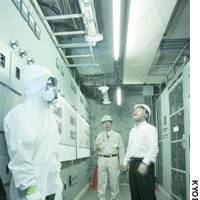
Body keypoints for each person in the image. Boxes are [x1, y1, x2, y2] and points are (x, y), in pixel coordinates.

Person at [4, 65, 63, 200]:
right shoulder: (21, 114)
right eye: (47, 84)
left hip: (50, 188)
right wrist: (31, 189)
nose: (52, 89)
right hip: (31, 191)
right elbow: (20, 156)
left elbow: (53, 155)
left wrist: (57, 184)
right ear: (35, 84)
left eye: (52, 84)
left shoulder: (50, 118)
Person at [122, 104, 158, 200]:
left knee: (147, 194)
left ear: (146, 115)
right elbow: (129, 148)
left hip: (144, 164)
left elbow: (153, 148)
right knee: (135, 193)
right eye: (135, 109)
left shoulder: (150, 128)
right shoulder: (132, 131)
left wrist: (145, 163)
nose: (136, 111)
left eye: (140, 109)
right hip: (133, 164)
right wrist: (125, 161)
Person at [95, 115, 125, 200]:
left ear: (111, 124)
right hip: (102, 159)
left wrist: (122, 162)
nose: (106, 124)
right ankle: (102, 198)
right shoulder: (99, 136)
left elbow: (121, 149)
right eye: (104, 123)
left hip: (113, 159)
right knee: (101, 181)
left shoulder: (117, 135)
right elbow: (96, 149)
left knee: (114, 181)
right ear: (102, 125)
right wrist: (97, 147)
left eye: (108, 122)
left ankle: (114, 198)